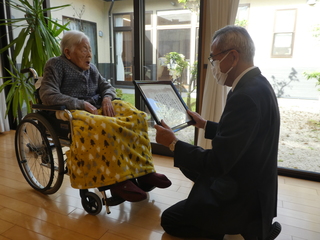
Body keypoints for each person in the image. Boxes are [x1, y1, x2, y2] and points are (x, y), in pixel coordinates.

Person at [155, 25, 281, 240]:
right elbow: (243, 136)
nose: (212, 65)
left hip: (242, 194)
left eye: (214, 58)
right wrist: (205, 125)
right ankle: (255, 228)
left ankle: (217, 228)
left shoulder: (244, 97)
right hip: (254, 181)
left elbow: (217, 163)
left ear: (233, 56)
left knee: (169, 219)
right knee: (189, 165)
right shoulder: (258, 84)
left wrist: (173, 144)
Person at [39, 30, 171, 202]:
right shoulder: (55, 64)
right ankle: (117, 182)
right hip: (74, 112)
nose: (89, 54)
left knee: (137, 117)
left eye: (90, 49)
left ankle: (144, 172)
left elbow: (106, 86)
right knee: (107, 126)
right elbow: (47, 94)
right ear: (68, 53)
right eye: (84, 49)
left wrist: (107, 98)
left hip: (97, 107)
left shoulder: (91, 68)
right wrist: (80, 103)